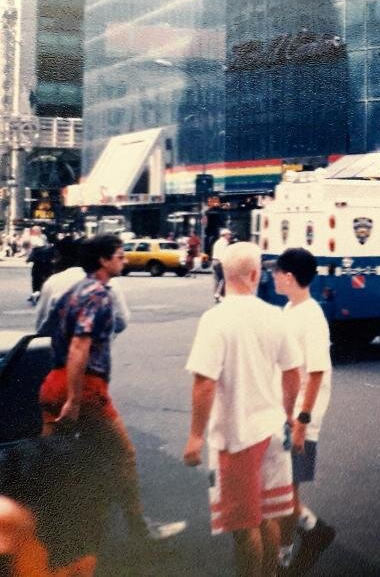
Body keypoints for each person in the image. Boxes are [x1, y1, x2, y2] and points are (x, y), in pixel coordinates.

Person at [37, 234, 184, 548]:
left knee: (48, 457)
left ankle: (42, 524)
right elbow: (80, 346)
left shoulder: (73, 291)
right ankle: (138, 528)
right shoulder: (99, 294)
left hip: (53, 382)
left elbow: (48, 328)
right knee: (123, 455)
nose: (125, 259)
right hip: (85, 387)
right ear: (103, 261)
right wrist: (75, 399)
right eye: (119, 255)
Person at [183, 242, 302, 576]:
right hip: (272, 430)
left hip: (236, 438)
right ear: (255, 274)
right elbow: (293, 372)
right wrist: (288, 414)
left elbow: (204, 382)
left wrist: (194, 436)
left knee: (243, 525)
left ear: (223, 273)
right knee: (268, 516)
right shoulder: (274, 315)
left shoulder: (215, 320)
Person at [272, 248, 336, 575]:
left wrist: (302, 421)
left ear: (289, 277)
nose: (272, 277)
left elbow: (316, 372)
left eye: (277, 272)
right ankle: (305, 538)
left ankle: (299, 545)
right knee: (283, 490)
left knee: (285, 493)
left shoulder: (311, 316)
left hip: (299, 419)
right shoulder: (289, 309)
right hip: (285, 415)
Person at [211, 228, 233, 302]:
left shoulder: (217, 242)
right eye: (229, 235)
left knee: (217, 279)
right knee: (224, 278)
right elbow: (223, 254)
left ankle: (215, 295)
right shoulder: (225, 243)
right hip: (220, 261)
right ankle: (219, 294)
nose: (230, 236)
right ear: (225, 235)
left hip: (214, 260)